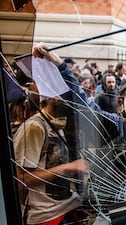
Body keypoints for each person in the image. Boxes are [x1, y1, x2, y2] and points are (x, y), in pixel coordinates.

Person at [13, 95, 89, 225]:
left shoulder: (59, 123)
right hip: (45, 214)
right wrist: (67, 167)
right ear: (49, 97)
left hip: (68, 206)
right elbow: (22, 178)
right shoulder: (34, 127)